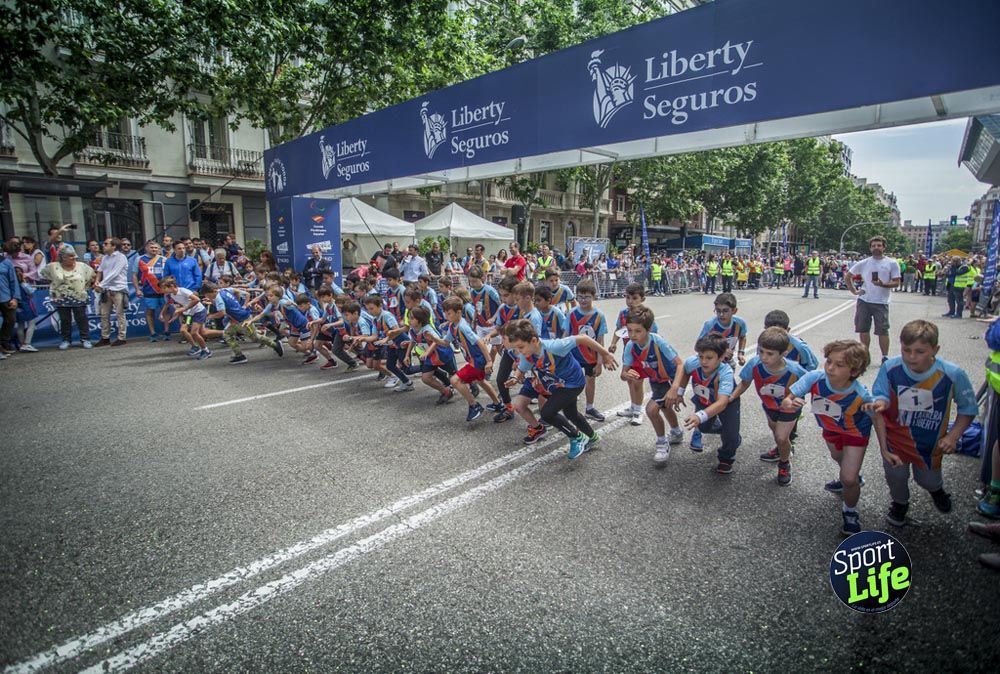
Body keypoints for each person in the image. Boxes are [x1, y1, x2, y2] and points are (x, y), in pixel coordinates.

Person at [868, 320, 976, 526]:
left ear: (935, 349)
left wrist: (953, 437)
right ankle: (900, 504)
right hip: (896, 440)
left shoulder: (953, 374)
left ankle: (937, 490)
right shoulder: (890, 368)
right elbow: (880, 395)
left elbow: (968, 409)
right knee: (895, 476)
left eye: (920, 351)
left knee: (926, 479)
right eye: (906, 350)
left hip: (930, 443)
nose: (911, 357)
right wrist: (880, 402)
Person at [783, 340, 881, 536]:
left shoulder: (862, 395)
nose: (830, 368)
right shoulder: (815, 378)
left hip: (855, 433)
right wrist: (788, 403)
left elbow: (878, 419)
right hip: (830, 430)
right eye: (829, 361)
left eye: (839, 365)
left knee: (848, 477)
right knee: (838, 458)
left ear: (854, 371)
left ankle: (850, 512)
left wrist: (886, 449)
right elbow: (789, 397)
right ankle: (851, 478)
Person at [506, 318, 618, 459]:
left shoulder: (554, 346)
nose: (518, 351)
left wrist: (605, 354)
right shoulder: (527, 354)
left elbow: (583, 338)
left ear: (534, 341)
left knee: (547, 413)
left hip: (573, 383)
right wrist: (515, 378)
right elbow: (522, 368)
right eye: (516, 348)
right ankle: (593, 437)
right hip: (559, 385)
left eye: (521, 347)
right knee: (571, 414)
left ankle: (576, 437)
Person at [731, 327, 808, 485]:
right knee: (775, 431)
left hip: (789, 407)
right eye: (761, 351)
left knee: (781, 436)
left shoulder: (795, 370)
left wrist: (798, 400)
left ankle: (784, 463)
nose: (764, 357)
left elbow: (811, 385)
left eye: (770, 354)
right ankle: (782, 449)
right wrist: (731, 397)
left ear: (783, 354)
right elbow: (745, 383)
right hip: (769, 405)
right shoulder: (755, 364)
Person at [621, 305, 684, 464]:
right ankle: (676, 432)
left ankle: (662, 443)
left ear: (648, 329)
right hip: (657, 381)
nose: (633, 335)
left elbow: (680, 364)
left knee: (651, 409)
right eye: (629, 330)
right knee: (664, 407)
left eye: (637, 331)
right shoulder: (630, 346)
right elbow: (623, 373)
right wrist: (626, 374)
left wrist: (675, 388)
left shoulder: (657, 341)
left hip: (671, 379)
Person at [672, 333, 741, 473]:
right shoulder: (693, 362)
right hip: (704, 399)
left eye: (709, 358)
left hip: (726, 403)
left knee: (731, 437)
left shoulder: (725, 372)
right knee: (703, 427)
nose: (703, 361)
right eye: (701, 356)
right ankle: (726, 430)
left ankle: (726, 458)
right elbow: (685, 371)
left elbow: (722, 403)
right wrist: (679, 392)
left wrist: (699, 415)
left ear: (721, 358)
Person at [437, 296, 502, 421]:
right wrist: (432, 338)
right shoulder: (453, 326)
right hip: (474, 360)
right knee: (481, 380)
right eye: (445, 312)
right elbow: (445, 342)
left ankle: (474, 405)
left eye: (449, 313)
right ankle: (498, 404)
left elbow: (480, 342)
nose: (446, 315)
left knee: (455, 380)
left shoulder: (463, 327)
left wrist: (489, 361)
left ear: (458, 312)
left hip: (478, 360)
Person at [846, 236, 902, 364]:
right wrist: (854, 291)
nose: (876, 248)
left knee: (882, 330)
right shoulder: (864, 262)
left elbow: (896, 282)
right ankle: (865, 355)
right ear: (870, 248)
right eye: (874, 245)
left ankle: (885, 357)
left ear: (884, 247)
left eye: (879, 245)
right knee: (863, 329)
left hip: (881, 302)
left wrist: (883, 284)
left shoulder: (891, 263)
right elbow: (848, 276)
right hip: (864, 300)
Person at [609, 282, 658, 425]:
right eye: (628, 298)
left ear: (642, 299)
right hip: (628, 351)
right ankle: (633, 406)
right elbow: (619, 329)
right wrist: (613, 343)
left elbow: (654, 333)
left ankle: (638, 411)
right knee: (630, 380)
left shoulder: (646, 315)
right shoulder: (623, 313)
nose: (630, 301)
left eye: (634, 298)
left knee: (637, 381)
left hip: (641, 353)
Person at [201, 284, 283, 364]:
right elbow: (237, 292)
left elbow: (222, 313)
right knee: (227, 334)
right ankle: (239, 355)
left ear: (213, 291)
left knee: (255, 338)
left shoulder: (219, 299)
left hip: (242, 319)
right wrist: (237, 305)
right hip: (237, 318)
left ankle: (275, 345)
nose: (208, 297)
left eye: (208, 295)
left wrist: (210, 317)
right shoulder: (224, 290)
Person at [567, 278, 608, 422]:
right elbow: (565, 337)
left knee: (590, 381)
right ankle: (570, 411)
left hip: (591, 357)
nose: (583, 300)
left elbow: (600, 341)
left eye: (587, 297)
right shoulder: (571, 314)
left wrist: (599, 362)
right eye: (580, 297)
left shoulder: (599, 316)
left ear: (594, 296)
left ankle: (590, 408)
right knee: (572, 383)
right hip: (573, 356)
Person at [39, 247, 95, 350]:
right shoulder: (52, 266)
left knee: (81, 318)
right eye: (70, 256)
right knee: (64, 319)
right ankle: (66, 340)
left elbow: (92, 277)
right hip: (61, 298)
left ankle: (85, 339)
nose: (74, 257)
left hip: (79, 297)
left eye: (74, 255)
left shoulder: (82, 266)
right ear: (63, 257)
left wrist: (85, 287)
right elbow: (42, 275)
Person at [159, 276, 211, 360]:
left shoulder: (183, 291)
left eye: (164, 288)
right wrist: (174, 316)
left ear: (172, 286)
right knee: (183, 330)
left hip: (199, 312)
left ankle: (206, 351)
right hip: (189, 314)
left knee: (195, 332)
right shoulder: (172, 295)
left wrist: (184, 308)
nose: (162, 290)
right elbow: (180, 306)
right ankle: (195, 347)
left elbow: (197, 299)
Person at [94, 237, 130, 346]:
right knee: (104, 314)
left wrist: (100, 284)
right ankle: (105, 337)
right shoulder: (105, 257)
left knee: (120, 314)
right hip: (106, 289)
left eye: (106, 244)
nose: (103, 245)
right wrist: (96, 281)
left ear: (113, 246)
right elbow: (100, 270)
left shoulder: (121, 257)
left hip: (118, 289)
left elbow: (114, 273)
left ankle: (122, 337)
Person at [698, 292, 748, 366]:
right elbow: (698, 346)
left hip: (728, 362)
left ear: (734, 311)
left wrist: (740, 353)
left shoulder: (740, 324)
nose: (721, 314)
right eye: (718, 311)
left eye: (725, 311)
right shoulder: (710, 325)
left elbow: (742, 337)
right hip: (711, 364)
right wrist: (721, 351)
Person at [0, 239, 22, 356]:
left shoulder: (6, 262)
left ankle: (4, 344)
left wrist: (15, 298)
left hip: (6, 297)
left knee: (11, 320)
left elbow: (13, 282)